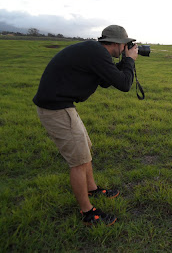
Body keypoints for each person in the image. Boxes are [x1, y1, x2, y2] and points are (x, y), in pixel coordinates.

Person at [33, 25, 139, 226]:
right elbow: (124, 84)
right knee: (79, 161)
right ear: (117, 43)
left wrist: (125, 63)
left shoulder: (95, 52)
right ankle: (87, 212)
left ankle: (92, 188)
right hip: (56, 109)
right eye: (125, 44)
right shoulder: (97, 53)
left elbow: (108, 81)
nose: (127, 47)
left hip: (61, 105)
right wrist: (129, 62)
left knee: (85, 149)